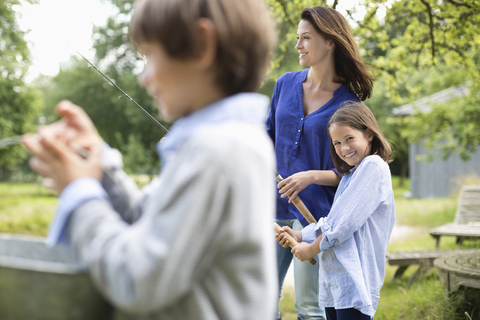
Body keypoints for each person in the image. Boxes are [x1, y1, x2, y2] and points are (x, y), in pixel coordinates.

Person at [22, 0, 278, 319]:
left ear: (201, 45)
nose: (143, 77)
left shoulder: (219, 151)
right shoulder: (224, 142)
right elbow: (145, 222)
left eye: (149, 56)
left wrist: (80, 192)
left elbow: (137, 280)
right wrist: (97, 162)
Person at [265, 6, 375, 320]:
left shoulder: (349, 104)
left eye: (306, 38)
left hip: (316, 215)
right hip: (272, 208)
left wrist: (310, 176)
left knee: (310, 308)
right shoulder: (285, 84)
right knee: (260, 301)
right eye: (297, 38)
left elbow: (357, 175)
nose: (298, 45)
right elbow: (267, 136)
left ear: (329, 42)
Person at [276, 101, 395, 320]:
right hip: (335, 282)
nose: (344, 148)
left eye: (350, 138)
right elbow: (333, 220)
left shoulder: (374, 167)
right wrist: (300, 235)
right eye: (337, 142)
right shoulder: (350, 175)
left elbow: (343, 226)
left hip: (355, 279)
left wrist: (311, 249)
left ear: (369, 133)